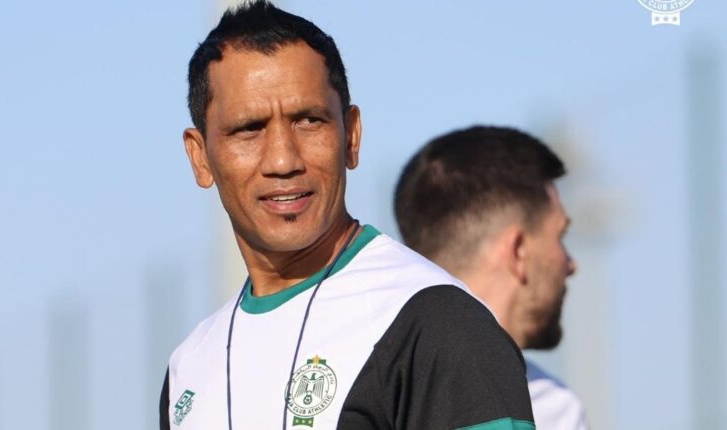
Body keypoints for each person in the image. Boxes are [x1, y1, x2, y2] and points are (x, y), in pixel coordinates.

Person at [160, 3, 534, 429]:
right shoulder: (190, 367)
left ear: (351, 135)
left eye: (309, 120)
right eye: (249, 128)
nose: (283, 160)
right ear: (200, 157)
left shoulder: (434, 321)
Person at [394, 126, 589, 430]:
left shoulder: (358, 375)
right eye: (559, 236)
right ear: (518, 250)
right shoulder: (552, 411)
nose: (570, 264)